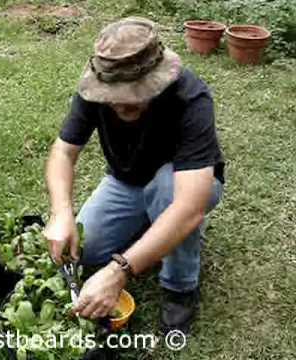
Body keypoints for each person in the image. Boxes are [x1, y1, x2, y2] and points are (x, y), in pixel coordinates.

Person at [43, 17, 225, 334]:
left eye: (132, 91)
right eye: (112, 92)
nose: (120, 101)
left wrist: (119, 271)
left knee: (168, 199)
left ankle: (180, 286)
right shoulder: (93, 92)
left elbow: (188, 207)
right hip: (125, 182)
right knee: (86, 251)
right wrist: (61, 212)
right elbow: (63, 152)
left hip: (182, 184)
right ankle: (153, 226)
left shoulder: (190, 97)